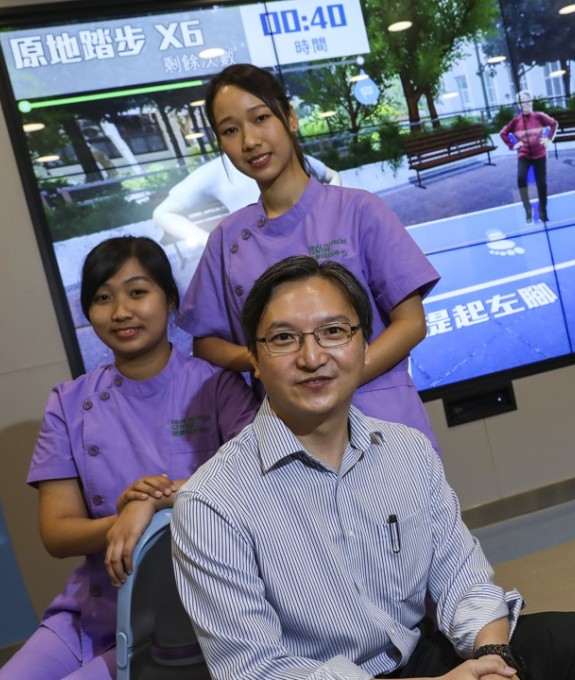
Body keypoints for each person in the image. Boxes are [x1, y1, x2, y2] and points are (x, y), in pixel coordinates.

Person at [171, 255, 575, 680]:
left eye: (333, 331)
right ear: (254, 357)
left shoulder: (407, 451)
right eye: (284, 338)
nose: (311, 358)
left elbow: (463, 580)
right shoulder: (212, 503)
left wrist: (492, 660)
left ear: (364, 344)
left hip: (418, 657)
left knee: (571, 639)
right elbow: (255, 670)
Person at [0, 236, 258, 680]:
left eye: (138, 292)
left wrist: (152, 503)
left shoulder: (218, 386)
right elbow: (58, 534)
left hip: (188, 608)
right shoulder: (68, 402)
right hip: (90, 606)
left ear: (170, 299)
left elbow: (255, 479)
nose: (121, 312)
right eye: (103, 298)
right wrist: (122, 522)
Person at [177, 63, 441, 452]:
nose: (249, 140)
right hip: (288, 434)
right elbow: (206, 343)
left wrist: (338, 379)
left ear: (291, 118)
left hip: (382, 420)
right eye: (230, 130)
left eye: (261, 118)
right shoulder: (226, 239)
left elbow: (411, 323)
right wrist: (259, 359)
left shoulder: (359, 209)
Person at [152, 152, 342, 244]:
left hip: (312, 244)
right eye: (231, 128)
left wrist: (329, 214)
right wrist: (207, 241)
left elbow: (332, 175)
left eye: (260, 118)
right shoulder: (218, 169)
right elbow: (162, 213)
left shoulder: (287, 153)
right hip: (261, 255)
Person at [499, 91, 558, 224]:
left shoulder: (539, 116)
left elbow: (554, 124)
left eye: (527, 100)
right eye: (522, 101)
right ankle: (528, 210)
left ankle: (543, 211)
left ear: (531, 101)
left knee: (542, 184)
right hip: (524, 155)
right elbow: (503, 133)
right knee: (521, 179)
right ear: (519, 105)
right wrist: (513, 144)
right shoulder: (515, 121)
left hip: (540, 155)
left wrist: (549, 139)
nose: (525, 103)